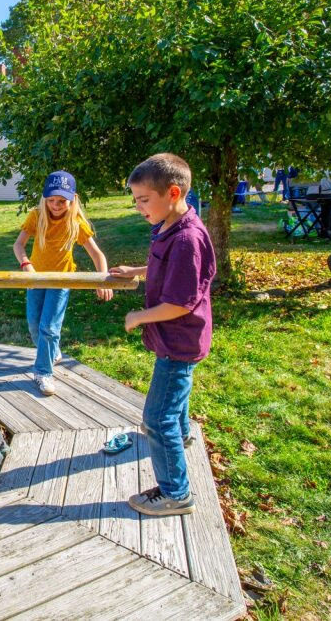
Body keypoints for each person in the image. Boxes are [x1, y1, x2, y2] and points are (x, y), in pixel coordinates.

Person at [110, 154, 216, 517]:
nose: (139, 208)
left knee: (157, 419)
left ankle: (176, 492)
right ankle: (183, 436)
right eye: (136, 200)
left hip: (179, 338)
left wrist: (139, 316)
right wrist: (136, 269)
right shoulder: (170, 224)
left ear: (172, 192)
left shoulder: (187, 238)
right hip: (173, 338)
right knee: (175, 403)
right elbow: (163, 265)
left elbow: (180, 303)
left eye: (143, 200)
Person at [13, 170, 112, 396]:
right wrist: (26, 264)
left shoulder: (75, 221)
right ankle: (53, 351)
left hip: (62, 280)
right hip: (36, 279)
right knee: (34, 325)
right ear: (44, 198)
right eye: (51, 200)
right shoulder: (37, 216)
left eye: (61, 201)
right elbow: (18, 245)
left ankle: (43, 372)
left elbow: (97, 254)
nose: (56, 205)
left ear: (72, 199)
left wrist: (103, 280)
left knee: (49, 327)